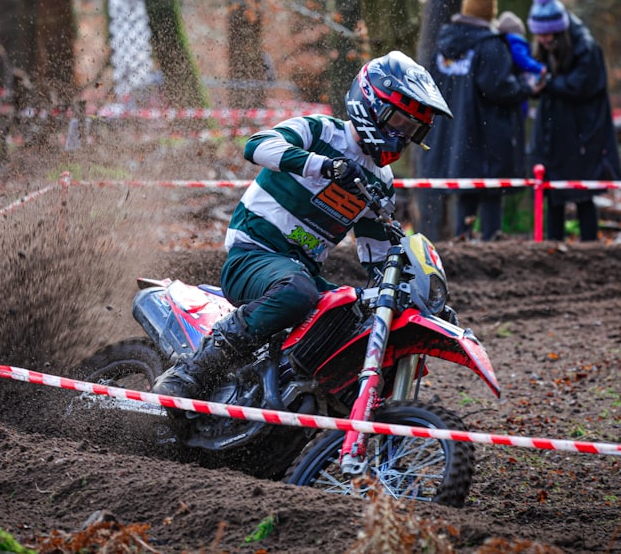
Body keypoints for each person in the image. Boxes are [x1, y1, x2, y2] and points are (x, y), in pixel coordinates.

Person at [152, 51, 452, 400]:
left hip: (300, 271)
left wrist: (424, 298)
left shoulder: (381, 179)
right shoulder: (320, 130)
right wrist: (325, 166)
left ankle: (292, 396)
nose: (403, 136)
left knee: (351, 316)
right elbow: (257, 146)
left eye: (413, 130)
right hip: (253, 255)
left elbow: (380, 256)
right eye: (399, 123)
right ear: (372, 105)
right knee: (297, 292)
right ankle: (193, 371)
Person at [426, 0, 532, 242]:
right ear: (490, 12)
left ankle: (462, 246)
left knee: (466, 192)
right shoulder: (489, 45)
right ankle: (489, 248)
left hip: (450, 137)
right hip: (485, 135)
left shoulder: (443, 46)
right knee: (490, 193)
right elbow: (499, 87)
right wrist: (525, 85)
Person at [526, 0, 621, 242]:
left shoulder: (586, 48)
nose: (544, 40)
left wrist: (547, 84)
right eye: (540, 35)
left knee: (583, 194)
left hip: (582, 134)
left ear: (559, 31)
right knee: (553, 195)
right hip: (554, 135)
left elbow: (581, 86)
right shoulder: (549, 50)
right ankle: (553, 246)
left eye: (548, 35)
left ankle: (589, 246)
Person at [495, 10, 547, 118]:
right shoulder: (516, 43)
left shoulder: (499, 45)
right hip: (518, 88)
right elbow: (524, 61)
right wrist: (539, 68)